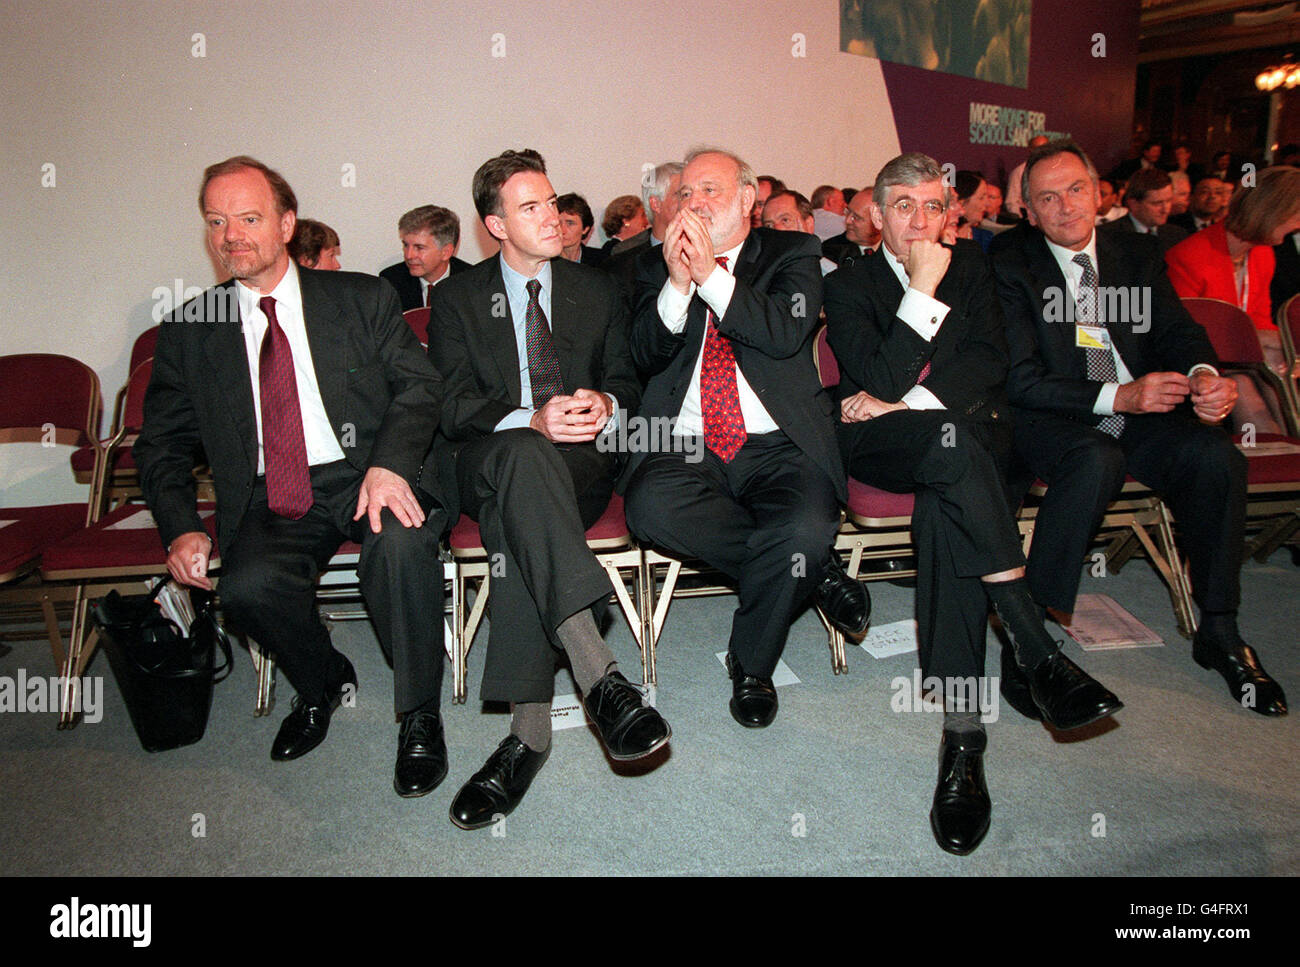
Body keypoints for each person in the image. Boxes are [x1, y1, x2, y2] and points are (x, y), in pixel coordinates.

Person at [823, 152, 1122, 856]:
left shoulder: (976, 270)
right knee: (956, 455)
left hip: (955, 432)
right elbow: (876, 373)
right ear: (875, 214)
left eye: (934, 207)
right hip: (877, 440)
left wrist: (916, 402)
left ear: (949, 212)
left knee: (948, 491)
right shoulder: (846, 283)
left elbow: (988, 361)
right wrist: (921, 294)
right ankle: (1034, 643)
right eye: (904, 207)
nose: (921, 222)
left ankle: (964, 733)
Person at [135, 156, 451, 797]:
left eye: (248, 218)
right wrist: (180, 527)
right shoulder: (191, 327)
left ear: (285, 224)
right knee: (246, 589)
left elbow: (418, 388)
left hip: (367, 472)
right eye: (217, 222)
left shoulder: (360, 297)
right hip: (270, 490)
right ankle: (320, 681)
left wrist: (389, 466)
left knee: (399, 548)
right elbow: (161, 442)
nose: (231, 236)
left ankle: (419, 715)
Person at [992, 139, 1287, 719]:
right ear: (1028, 209)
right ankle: (1030, 645)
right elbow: (1020, 379)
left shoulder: (1134, 253)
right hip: (1054, 416)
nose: (1066, 207)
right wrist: (1119, 393)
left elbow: (1176, 331)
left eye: (1076, 190)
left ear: (1100, 192)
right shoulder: (1009, 261)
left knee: (1217, 458)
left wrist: (1204, 376)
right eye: (1047, 198)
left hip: (1140, 410)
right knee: (1094, 459)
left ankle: (1220, 630)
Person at [421, 149, 670, 830]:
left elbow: (627, 380)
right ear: (494, 224)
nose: (553, 218)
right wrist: (528, 419)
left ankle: (527, 736)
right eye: (529, 207)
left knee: (518, 515)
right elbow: (450, 402)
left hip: (579, 467)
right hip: (492, 455)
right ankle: (603, 680)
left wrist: (604, 404)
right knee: (523, 461)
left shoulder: (597, 287)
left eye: (553, 202)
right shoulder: (459, 298)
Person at [623, 147, 869, 732]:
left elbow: (784, 332)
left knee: (804, 526)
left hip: (778, 441)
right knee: (651, 507)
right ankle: (817, 572)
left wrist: (709, 274)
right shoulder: (647, 263)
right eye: (684, 193)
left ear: (747, 197)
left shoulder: (793, 252)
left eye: (710, 190)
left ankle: (752, 666)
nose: (694, 202)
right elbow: (639, 355)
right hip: (686, 440)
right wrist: (678, 284)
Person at [1166, 166, 1300, 434]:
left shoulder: (1262, 253)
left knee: (1282, 381)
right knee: (1249, 395)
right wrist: (1272, 344)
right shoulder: (1190, 257)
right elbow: (1184, 333)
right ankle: (1267, 461)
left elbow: (1259, 317)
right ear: (1273, 211)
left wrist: (1278, 351)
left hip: (1246, 359)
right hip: (1203, 362)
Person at [379, 205, 470, 311]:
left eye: (419, 248)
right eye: (406, 245)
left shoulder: (473, 282)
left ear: (446, 252)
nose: (409, 255)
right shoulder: (391, 281)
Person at [1099, 167, 1188, 253]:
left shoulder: (1177, 235)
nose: (1165, 209)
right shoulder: (1109, 236)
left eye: (1168, 201)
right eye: (1157, 203)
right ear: (1133, 204)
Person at [762, 190, 839, 274]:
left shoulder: (832, 276)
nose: (777, 229)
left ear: (809, 224)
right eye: (769, 225)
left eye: (785, 220)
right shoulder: (757, 275)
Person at [823, 186, 880, 267]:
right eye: (847, 212)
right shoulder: (831, 252)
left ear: (879, 220)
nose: (847, 221)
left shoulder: (897, 250)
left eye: (856, 217)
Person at [1003, 134, 1049, 218]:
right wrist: (1022, 220)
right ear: (1031, 150)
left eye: (1046, 147)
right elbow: (1011, 201)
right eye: (1039, 148)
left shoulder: (1055, 170)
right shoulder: (1019, 172)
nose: (1043, 151)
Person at [556, 192, 607, 266]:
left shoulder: (601, 261)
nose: (562, 230)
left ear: (585, 229)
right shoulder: (543, 261)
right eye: (558, 223)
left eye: (570, 223)